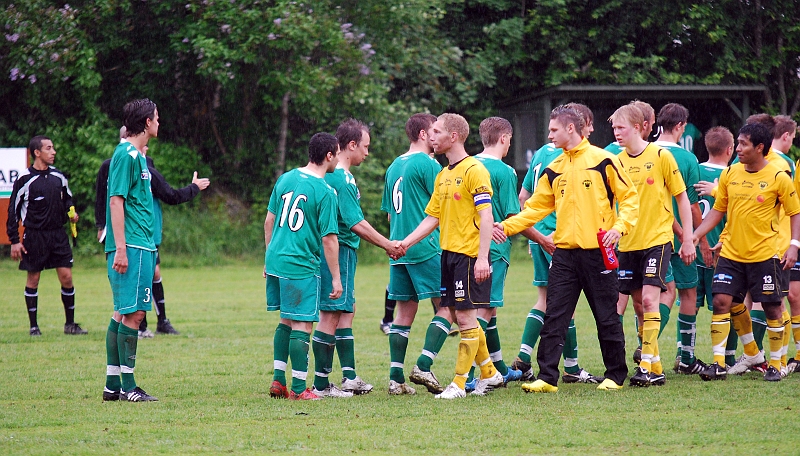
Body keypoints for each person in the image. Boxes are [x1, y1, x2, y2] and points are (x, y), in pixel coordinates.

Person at [493, 104, 638, 393]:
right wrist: (505, 226)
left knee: (606, 315)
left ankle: (615, 375)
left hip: (598, 252)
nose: (550, 135)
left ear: (571, 128)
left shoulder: (604, 160)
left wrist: (618, 228)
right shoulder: (554, 167)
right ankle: (547, 377)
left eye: (554, 129)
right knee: (555, 314)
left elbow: (631, 199)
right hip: (564, 254)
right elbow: (535, 209)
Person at [399, 113, 504, 399]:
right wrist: (405, 243)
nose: (430, 136)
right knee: (460, 316)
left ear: (453, 136)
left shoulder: (474, 170)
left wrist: (483, 258)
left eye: (436, 131)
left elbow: (486, 216)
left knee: (467, 320)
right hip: (448, 256)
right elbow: (432, 217)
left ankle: (458, 384)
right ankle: (491, 374)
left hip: (469, 256)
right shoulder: (443, 174)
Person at [693, 122, 800, 382]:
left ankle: (775, 364)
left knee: (773, 308)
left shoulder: (778, 177)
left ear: (760, 147)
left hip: (765, 255)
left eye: (743, 144)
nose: (737, 148)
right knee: (721, 301)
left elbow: (795, 212)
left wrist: (794, 245)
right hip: (731, 254)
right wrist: (697, 235)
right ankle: (719, 363)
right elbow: (719, 210)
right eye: (738, 143)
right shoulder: (731, 173)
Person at [511, 103, 603, 384]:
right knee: (565, 303)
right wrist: (543, 233)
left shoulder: (540, 153)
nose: (592, 130)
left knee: (546, 300)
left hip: (541, 235)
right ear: (578, 125)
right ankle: (570, 368)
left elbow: (524, 197)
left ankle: (526, 359)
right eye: (590, 125)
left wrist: (531, 232)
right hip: (559, 238)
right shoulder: (567, 157)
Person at [310, 119, 397, 398]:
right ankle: (321, 385)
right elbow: (355, 222)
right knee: (331, 313)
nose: (367, 153)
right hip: (340, 250)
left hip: (341, 251)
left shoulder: (336, 175)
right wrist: (387, 244)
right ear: (351, 145)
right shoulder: (341, 178)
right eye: (365, 147)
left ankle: (349, 377)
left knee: (346, 311)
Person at [95, 127, 210, 339]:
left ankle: (155, 322)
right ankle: (137, 332)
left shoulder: (144, 165)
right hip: (129, 238)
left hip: (144, 236)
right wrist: (101, 225)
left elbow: (168, 194)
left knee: (145, 283)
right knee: (127, 302)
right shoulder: (119, 162)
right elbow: (107, 198)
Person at [612, 103, 695, 387]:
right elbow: (613, 204)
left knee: (650, 299)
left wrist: (686, 238)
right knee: (638, 306)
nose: (616, 133)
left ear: (638, 127)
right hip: (627, 243)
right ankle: (656, 365)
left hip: (657, 240)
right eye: (614, 128)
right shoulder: (616, 162)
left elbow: (682, 198)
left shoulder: (661, 156)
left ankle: (646, 365)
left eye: (621, 127)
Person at [265, 132, 342, 401]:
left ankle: (278, 380)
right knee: (303, 324)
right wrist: (336, 277)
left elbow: (269, 221)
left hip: (276, 259)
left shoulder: (285, 178)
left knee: (285, 319)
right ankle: (299, 389)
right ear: (329, 155)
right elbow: (330, 240)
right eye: (337, 153)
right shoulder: (325, 191)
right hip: (300, 264)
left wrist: (268, 257)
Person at [102, 98, 160, 402]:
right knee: (135, 314)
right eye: (156, 118)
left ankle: (113, 386)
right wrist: (121, 248)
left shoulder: (136, 155)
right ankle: (128, 386)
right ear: (147, 123)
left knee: (121, 312)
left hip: (142, 244)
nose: (159, 123)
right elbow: (116, 200)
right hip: (133, 245)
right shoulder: (125, 154)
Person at [381, 113, 443, 395]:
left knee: (404, 311)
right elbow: (443, 207)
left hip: (398, 248)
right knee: (450, 306)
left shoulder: (394, 165)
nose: (437, 136)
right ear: (422, 134)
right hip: (425, 246)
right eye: (434, 131)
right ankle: (424, 364)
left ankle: (396, 379)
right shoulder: (428, 164)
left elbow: (389, 212)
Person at [7, 135, 86, 336]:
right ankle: (34, 326)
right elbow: (12, 211)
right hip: (35, 236)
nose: (53, 152)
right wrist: (15, 241)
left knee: (67, 277)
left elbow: (68, 200)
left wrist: (72, 213)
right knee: (33, 279)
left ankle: (70, 325)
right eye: (49, 148)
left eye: (53, 148)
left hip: (58, 235)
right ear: (37, 152)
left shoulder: (58, 176)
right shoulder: (25, 179)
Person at [469, 116, 524, 388]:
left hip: (468, 245)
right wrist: (544, 238)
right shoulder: (505, 171)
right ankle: (468, 374)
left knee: (487, 310)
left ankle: (498, 367)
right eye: (510, 140)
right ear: (504, 138)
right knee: (484, 310)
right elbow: (514, 216)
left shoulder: (468, 165)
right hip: (494, 249)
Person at [652, 103, 707, 374]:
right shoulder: (686, 159)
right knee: (688, 293)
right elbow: (693, 206)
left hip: (648, 238)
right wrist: (700, 240)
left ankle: (647, 351)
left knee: (649, 296)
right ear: (681, 126)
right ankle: (686, 359)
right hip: (679, 239)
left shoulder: (645, 152)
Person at [694, 127, 736, 367]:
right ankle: (727, 357)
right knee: (725, 305)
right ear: (730, 149)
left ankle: (684, 354)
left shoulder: (696, 171)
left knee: (690, 303)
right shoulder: (735, 174)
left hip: (694, 248)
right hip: (724, 250)